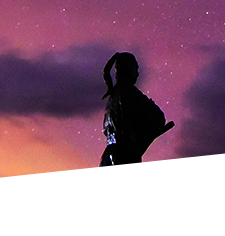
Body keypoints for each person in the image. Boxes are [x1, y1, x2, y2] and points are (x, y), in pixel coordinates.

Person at [73, 52, 171, 236]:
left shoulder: (113, 97)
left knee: (102, 213)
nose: (138, 74)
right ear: (128, 70)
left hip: (110, 159)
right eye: (136, 69)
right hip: (125, 160)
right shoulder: (129, 94)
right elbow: (158, 118)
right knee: (119, 217)